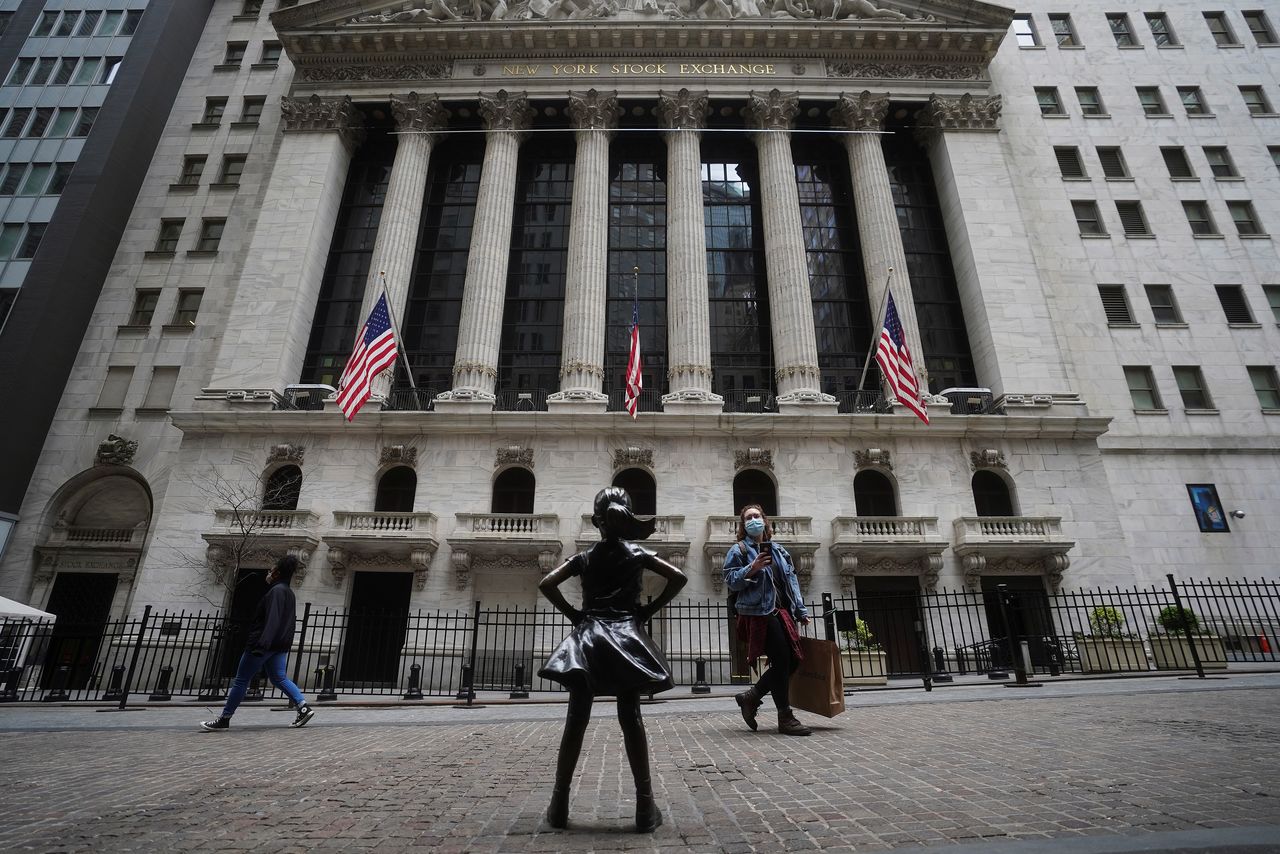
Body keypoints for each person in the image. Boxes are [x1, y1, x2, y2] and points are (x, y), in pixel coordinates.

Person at [538, 486, 688, 832]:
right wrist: (649, 609)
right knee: (631, 717)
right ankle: (645, 807)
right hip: (625, 635)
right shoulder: (637, 552)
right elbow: (678, 578)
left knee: (576, 718)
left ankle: (559, 804)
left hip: (589, 635)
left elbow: (548, 583)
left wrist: (575, 616)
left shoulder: (586, 557)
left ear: (597, 521)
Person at [722, 504, 812, 736]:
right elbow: (730, 580)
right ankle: (785, 716)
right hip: (758, 612)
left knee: (792, 661)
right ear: (744, 525)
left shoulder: (780, 551)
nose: (753, 520)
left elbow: (791, 582)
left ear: (765, 520)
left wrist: (800, 610)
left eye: (757, 516)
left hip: (783, 611)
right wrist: (751, 568)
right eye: (749, 518)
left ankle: (750, 697)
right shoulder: (739, 549)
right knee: (782, 659)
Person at [200, 555, 315, 731]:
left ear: (276, 573)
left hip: (264, 644)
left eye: (270, 571)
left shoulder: (276, 592)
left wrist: (261, 645)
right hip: (279, 645)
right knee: (279, 678)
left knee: (240, 680)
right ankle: (303, 707)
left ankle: (225, 718)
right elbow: (288, 622)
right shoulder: (289, 593)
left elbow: (273, 621)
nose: (268, 574)